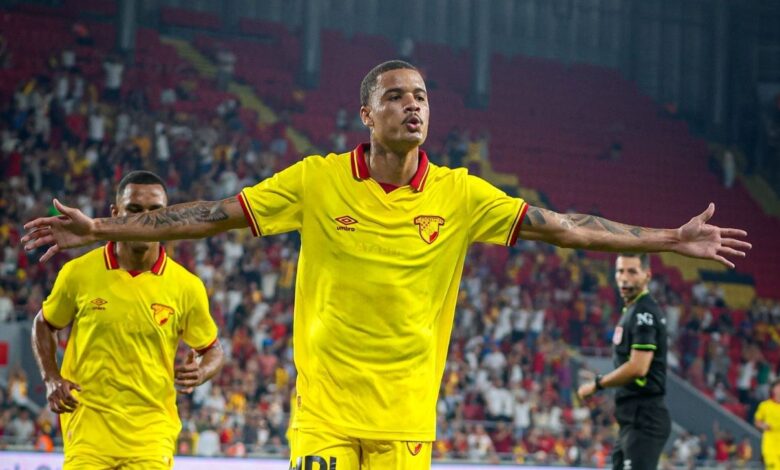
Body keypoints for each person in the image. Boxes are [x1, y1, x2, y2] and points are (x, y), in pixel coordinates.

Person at [23, 60, 751, 470]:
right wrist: (102, 228)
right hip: (323, 415)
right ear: (366, 114)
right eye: (396, 96)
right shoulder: (316, 180)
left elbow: (565, 229)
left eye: (422, 96)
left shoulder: (461, 195)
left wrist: (668, 239)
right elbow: (209, 214)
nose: (413, 105)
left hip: (406, 421)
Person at [30, 170, 224, 469]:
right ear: (115, 214)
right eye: (134, 209)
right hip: (88, 431)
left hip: (152, 434)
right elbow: (44, 323)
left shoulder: (187, 286)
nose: (144, 219)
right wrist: (51, 378)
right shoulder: (78, 273)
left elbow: (212, 349)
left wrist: (202, 370)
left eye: (155, 211)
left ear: (169, 217)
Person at [577, 253, 671, 470]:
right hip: (632, 420)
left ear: (647, 275)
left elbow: (638, 368)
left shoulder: (643, 312)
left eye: (632, 271)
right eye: (620, 271)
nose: (624, 278)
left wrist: (597, 384)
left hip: (645, 418)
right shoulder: (632, 311)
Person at [755, 378, 780, 469]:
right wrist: (763, 425)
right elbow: (757, 422)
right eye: (778, 386)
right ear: (773, 389)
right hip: (770, 445)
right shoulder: (765, 406)